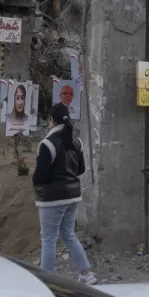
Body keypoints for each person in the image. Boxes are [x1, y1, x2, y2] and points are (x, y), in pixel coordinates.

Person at [32, 102, 95, 285]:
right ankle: (86, 274)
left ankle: (47, 282)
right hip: (73, 196)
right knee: (68, 234)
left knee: (48, 239)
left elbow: (40, 176)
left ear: (51, 120)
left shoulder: (47, 144)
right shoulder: (76, 142)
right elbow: (80, 169)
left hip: (52, 199)